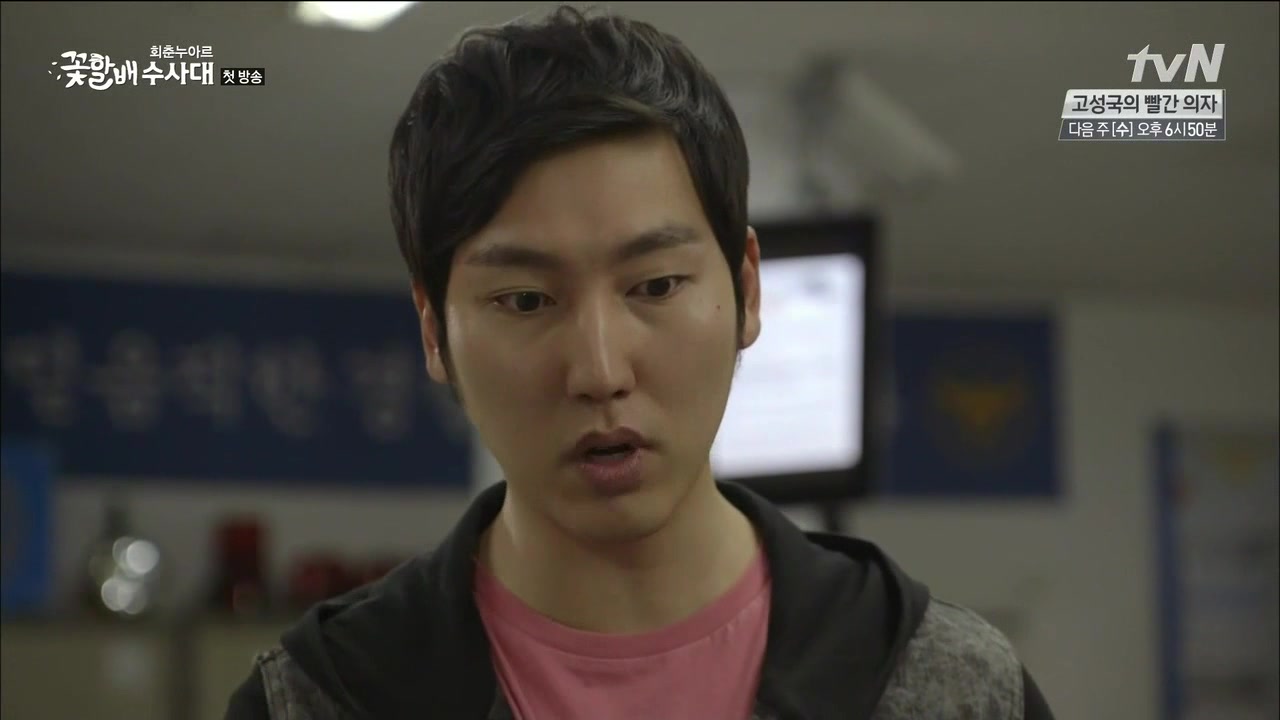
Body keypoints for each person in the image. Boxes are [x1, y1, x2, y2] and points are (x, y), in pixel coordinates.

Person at [224, 5, 1056, 719]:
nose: (599, 369)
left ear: (747, 290)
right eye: (525, 300)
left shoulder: (949, 688)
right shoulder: (319, 700)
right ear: (434, 332)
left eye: (655, 285)